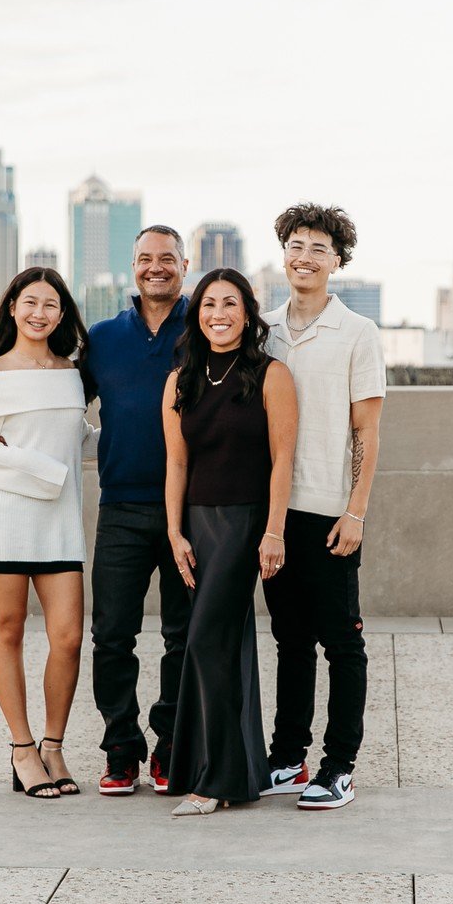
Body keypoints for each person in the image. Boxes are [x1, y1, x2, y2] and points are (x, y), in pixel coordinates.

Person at [0, 267, 96, 800]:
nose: (40, 312)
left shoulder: (71, 373)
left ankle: (54, 744)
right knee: (8, 630)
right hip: (5, 516)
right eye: (30, 301)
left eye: (51, 305)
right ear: (12, 306)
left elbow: (75, 437)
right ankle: (22, 748)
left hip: (58, 521)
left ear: (63, 314)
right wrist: (41, 469)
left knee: (69, 638)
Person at [259, 203, 386, 811]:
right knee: (289, 638)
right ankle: (288, 756)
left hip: (331, 510)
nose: (305, 256)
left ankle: (339, 765)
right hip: (276, 513)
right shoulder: (263, 328)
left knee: (342, 641)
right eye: (296, 245)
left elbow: (367, 431)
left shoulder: (358, 332)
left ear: (337, 261)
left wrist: (355, 511)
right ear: (283, 253)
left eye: (318, 248)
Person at [162, 268, 297, 816]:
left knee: (206, 642)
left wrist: (273, 530)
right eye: (208, 304)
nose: (218, 313)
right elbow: (176, 461)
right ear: (197, 315)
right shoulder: (180, 380)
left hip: (245, 525)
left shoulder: (271, 375)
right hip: (196, 525)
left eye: (230, 303)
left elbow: (283, 457)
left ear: (248, 312)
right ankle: (236, 770)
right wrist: (173, 532)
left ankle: (213, 779)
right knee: (223, 645)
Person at [80, 225, 193, 795]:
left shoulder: (210, 325)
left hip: (192, 513)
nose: (157, 267)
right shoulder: (102, 338)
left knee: (184, 638)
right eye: (146, 258)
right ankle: (121, 747)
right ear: (133, 266)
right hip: (120, 507)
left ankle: (170, 744)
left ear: (184, 263)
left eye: (167, 259)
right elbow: (57, 401)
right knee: (111, 637)